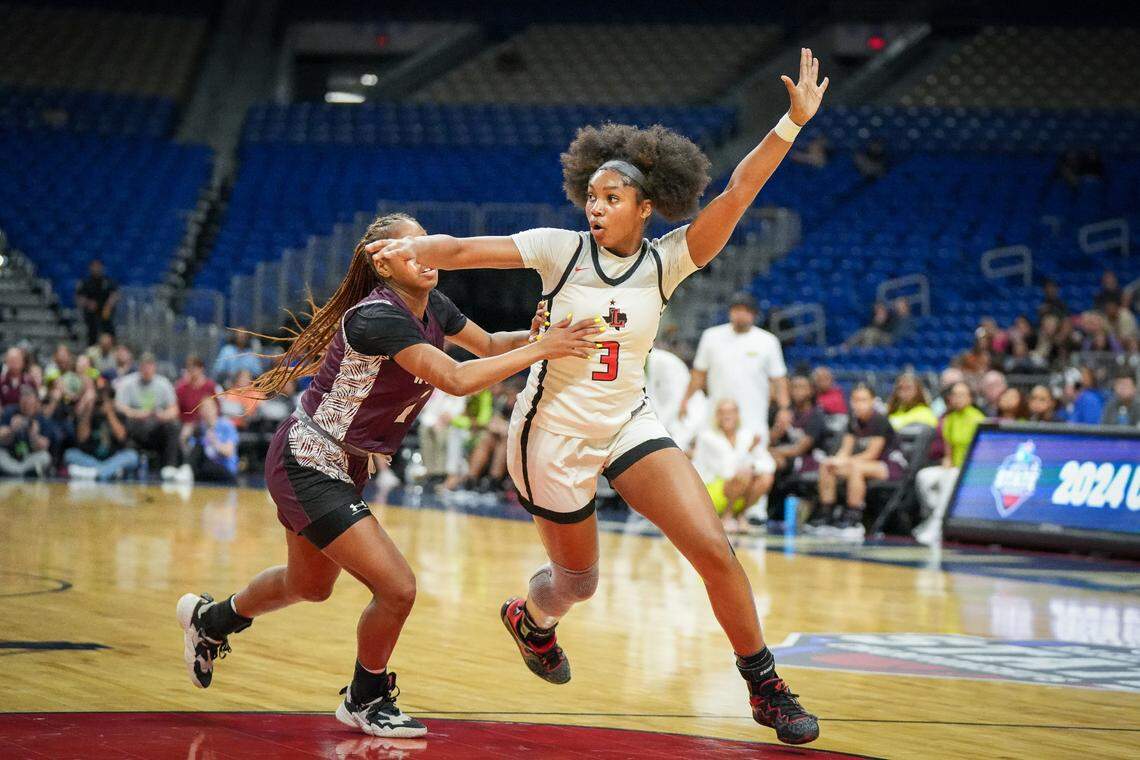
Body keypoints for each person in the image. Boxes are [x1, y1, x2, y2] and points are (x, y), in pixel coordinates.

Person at [368, 49, 829, 745]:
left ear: (646, 208)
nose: (597, 205)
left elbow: (737, 194)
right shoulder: (560, 249)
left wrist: (791, 125)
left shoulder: (667, 260)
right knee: (577, 583)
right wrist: (410, 250)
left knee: (714, 549)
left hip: (628, 422)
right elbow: (463, 250)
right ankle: (531, 618)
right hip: (551, 435)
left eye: (612, 197)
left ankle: (764, 684)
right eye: (593, 195)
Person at [175, 212, 599, 739]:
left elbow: (488, 347)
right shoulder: (378, 316)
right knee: (397, 588)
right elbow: (457, 379)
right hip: (308, 460)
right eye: (413, 247)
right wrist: (542, 350)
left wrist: (537, 334)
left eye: (429, 243)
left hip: (338, 463)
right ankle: (364, 698)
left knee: (309, 586)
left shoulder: (432, 305)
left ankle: (210, 621)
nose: (429, 254)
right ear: (382, 262)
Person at [682, 291, 789, 444]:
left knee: (753, 463)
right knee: (712, 459)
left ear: (753, 314)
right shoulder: (711, 336)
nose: (740, 314)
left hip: (753, 414)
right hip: (717, 413)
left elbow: (779, 379)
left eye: (746, 311)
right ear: (730, 312)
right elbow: (699, 374)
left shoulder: (768, 341)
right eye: (736, 310)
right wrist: (685, 400)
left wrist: (784, 409)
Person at [812, 384, 906, 537]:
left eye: (863, 400)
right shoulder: (853, 421)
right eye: (855, 400)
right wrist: (835, 460)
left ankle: (853, 519)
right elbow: (845, 450)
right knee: (826, 465)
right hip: (864, 464)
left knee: (856, 467)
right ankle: (826, 514)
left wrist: (844, 462)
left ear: (872, 401)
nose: (859, 404)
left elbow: (871, 454)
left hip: (891, 466)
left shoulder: (879, 420)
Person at [913, 381, 985, 545]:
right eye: (954, 395)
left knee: (950, 477)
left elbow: (980, 452)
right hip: (953, 467)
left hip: (970, 470)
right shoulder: (949, 419)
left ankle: (937, 526)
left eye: (962, 395)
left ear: (970, 398)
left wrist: (958, 468)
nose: (957, 398)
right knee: (924, 476)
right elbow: (948, 450)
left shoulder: (978, 419)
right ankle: (933, 516)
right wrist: (947, 461)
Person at [692, 399, 775, 533]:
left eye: (731, 411)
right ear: (717, 416)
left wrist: (753, 466)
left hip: (740, 489)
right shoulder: (707, 437)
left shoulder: (747, 435)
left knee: (766, 478)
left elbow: (770, 465)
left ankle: (741, 515)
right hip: (713, 489)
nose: (727, 415)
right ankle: (727, 516)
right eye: (722, 412)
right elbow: (727, 471)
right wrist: (748, 452)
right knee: (744, 473)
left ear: (737, 414)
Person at [115, 352, 187, 481]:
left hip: (156, 426)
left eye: (149, 366)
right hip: (135, 425)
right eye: (144, 366)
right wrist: (136, 413)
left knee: (174, 425)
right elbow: (119, 406)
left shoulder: (163, 383)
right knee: (127, 422)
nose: (147, 370)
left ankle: (170, 468)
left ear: (154, 367)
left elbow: (174, 409)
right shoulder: (128, 382)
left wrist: (162, 415)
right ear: (139, 367)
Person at [768, 374, 827, 524]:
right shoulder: (784, 413)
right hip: (787, 456)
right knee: (766, 462)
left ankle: (770, 510)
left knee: (774, 461)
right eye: (794, 387)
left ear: (811, 391)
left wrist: (772, 452)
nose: (797, 391)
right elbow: (769, 441)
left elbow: (801, 448)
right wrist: (778, 428)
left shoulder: (816, 414)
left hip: (810, 459)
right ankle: (766, 510)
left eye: (802, 387)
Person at [64, 377, 139, 481]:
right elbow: (82, 438)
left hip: (113, 458)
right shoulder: (86, 414)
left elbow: (121, 437)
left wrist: (109, 413)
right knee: (70, 454)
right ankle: (108, 472)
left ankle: (94, 473)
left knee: (132, 456)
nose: (101, 402)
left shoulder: (119, 415)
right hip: (91, 458)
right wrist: (88, 410)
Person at [0, 386, 54, 478]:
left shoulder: (41, 418)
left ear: (36, 403)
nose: (26, 405)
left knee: (45, 457)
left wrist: (34, 435)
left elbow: (45, 445)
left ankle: (16, 471)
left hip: (29, 458)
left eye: (29, 402)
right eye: (23, 401)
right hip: (9, 456)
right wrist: (11, 429)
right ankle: (22, 472)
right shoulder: (10, 411)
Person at [645, 339, 691, 441]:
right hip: (661, 421)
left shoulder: (665, 362)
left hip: (685, 415)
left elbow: (676, 399)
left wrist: (659, 428)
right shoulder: (642, 362)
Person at [186, 397, 239, 483]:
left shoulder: (226, 425)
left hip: (224, 467)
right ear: (200, 412)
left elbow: (229, 452)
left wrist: (214, 442)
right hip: (204, 469)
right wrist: (184, 437)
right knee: (198, 448)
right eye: (204, 408)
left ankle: (186, 472)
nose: (207, 411)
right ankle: (185, 471)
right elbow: (191, 452)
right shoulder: (199, 428)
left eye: (209, 407)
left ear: (216, 408)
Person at [75, 259, 119, 346]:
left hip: (106, 313)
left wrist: (109, 305)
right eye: (94, 267)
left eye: (98, 266)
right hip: (91, 314)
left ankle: (112, 348)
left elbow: (115, 294)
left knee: (109, 332)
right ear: (90, 268)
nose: (96, 269)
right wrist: (88, 303)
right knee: (92, 334)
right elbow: (78, 298)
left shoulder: (108, 281)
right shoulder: (86, 282)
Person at [175, 355, 220, 432]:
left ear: (201, 368)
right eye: (189, 368)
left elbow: (217, 407)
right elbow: (176, 408)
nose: (191, 370)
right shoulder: (181, 388)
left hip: (206, 424)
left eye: (194, 367)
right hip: (186, 424)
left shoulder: (211, 386)